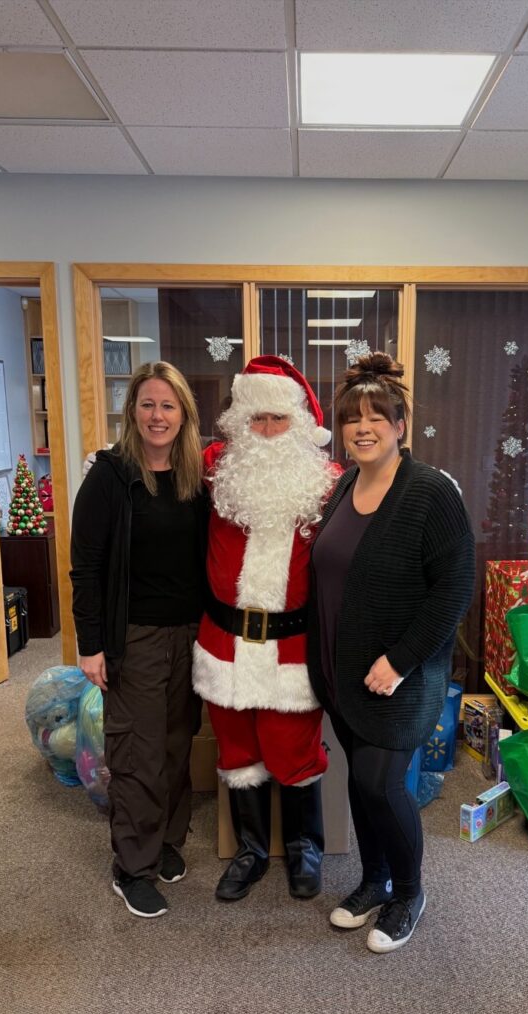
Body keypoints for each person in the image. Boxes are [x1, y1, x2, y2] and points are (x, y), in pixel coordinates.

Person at [307, 351, 475, 954]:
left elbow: (455, 588)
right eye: (353, 418)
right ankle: (374, 879)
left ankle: (408, 892)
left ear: (400, 426)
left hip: (399, 675)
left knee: (382, 785)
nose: (363, 428)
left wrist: (401, 660)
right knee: (361, 782)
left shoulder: (430, 492)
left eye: (377, 417)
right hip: (343, 670)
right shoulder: (345, 485)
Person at [192, 355, 338, 902]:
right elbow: (159, 461)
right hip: (224, 642)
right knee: (236, 753)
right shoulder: (216, 468)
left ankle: (305, 847)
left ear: (299, 424)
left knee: (294, 751)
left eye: (279, 418)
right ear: (240, 422)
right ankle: (250, 851)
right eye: (258, 418)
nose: (269, 430)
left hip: (292, 646)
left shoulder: (329, 482)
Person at [70, 361, 207, 919]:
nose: (157, 415)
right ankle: (131, 867)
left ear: (184, 415)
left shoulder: (196, 477)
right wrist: (90, 645)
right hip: (134, 637)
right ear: (131, 412)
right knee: (138, 753)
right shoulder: (110, 475)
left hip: (190, 635)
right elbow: (85, 567)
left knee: (176, 746)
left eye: (168, 405)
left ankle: (166, 840)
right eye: (147, 404)